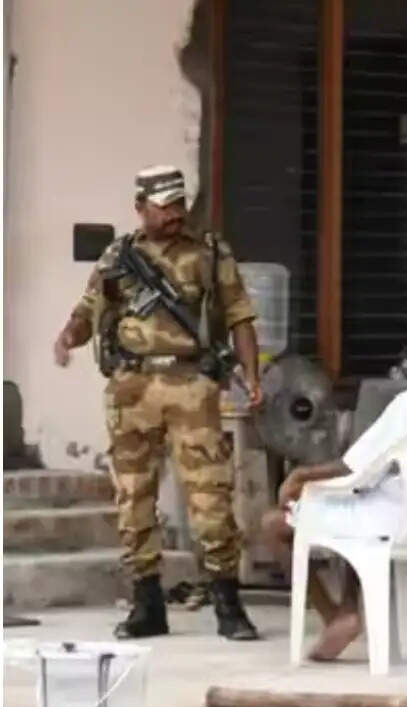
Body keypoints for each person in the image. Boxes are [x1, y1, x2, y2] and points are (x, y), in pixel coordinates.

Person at [53, 165, 263, 641]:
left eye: (178, 204)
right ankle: (146, 604)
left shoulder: (208, 252)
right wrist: (67, 338)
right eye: (164, 206)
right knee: (133, 497)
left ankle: (228, 603)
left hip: (190, 383)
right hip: (131, 387)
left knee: (210, 495)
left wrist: (251, 376)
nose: (174, 214)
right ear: (140, 207)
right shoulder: (118, 256)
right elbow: (88, 309)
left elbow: (239, 316)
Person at [261, 315, 407, 661]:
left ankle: (336, 615)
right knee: (359, 499)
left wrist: (299, 477)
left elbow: (354, 466)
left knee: (274, 524)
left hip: (394, 521)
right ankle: (347, 607)